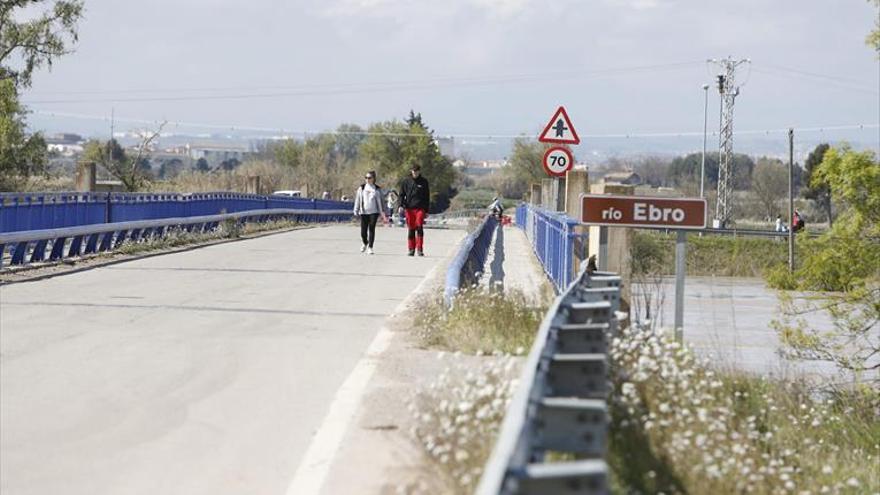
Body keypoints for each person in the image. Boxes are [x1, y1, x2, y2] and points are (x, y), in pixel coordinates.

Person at [399, 163, 430, 256]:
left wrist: (427, 210)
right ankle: (411, 249)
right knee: (411, 229)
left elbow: (427, 197)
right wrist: (400, 205)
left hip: (420, 208)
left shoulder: (424, 182)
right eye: (413, 171)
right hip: (409, 208)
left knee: (419, 227)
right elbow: (401, 194)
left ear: (419, 171)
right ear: (411, 171)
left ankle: (420, 249)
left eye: (416, 171)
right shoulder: (406, 182)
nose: (415, 173)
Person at [352, 171, 387, 254]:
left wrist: (384, 212)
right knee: (363, 232)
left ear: (373, 179)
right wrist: (356, 210)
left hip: (374, 212)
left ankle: (370, 247)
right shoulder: (362, 188)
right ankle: (365, 243)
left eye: (369, 178)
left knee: (371, 228)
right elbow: (358, 199)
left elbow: (382, 201)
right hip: (363, 212)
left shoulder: (377, 189)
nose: (367, 179)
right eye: (366, 177)